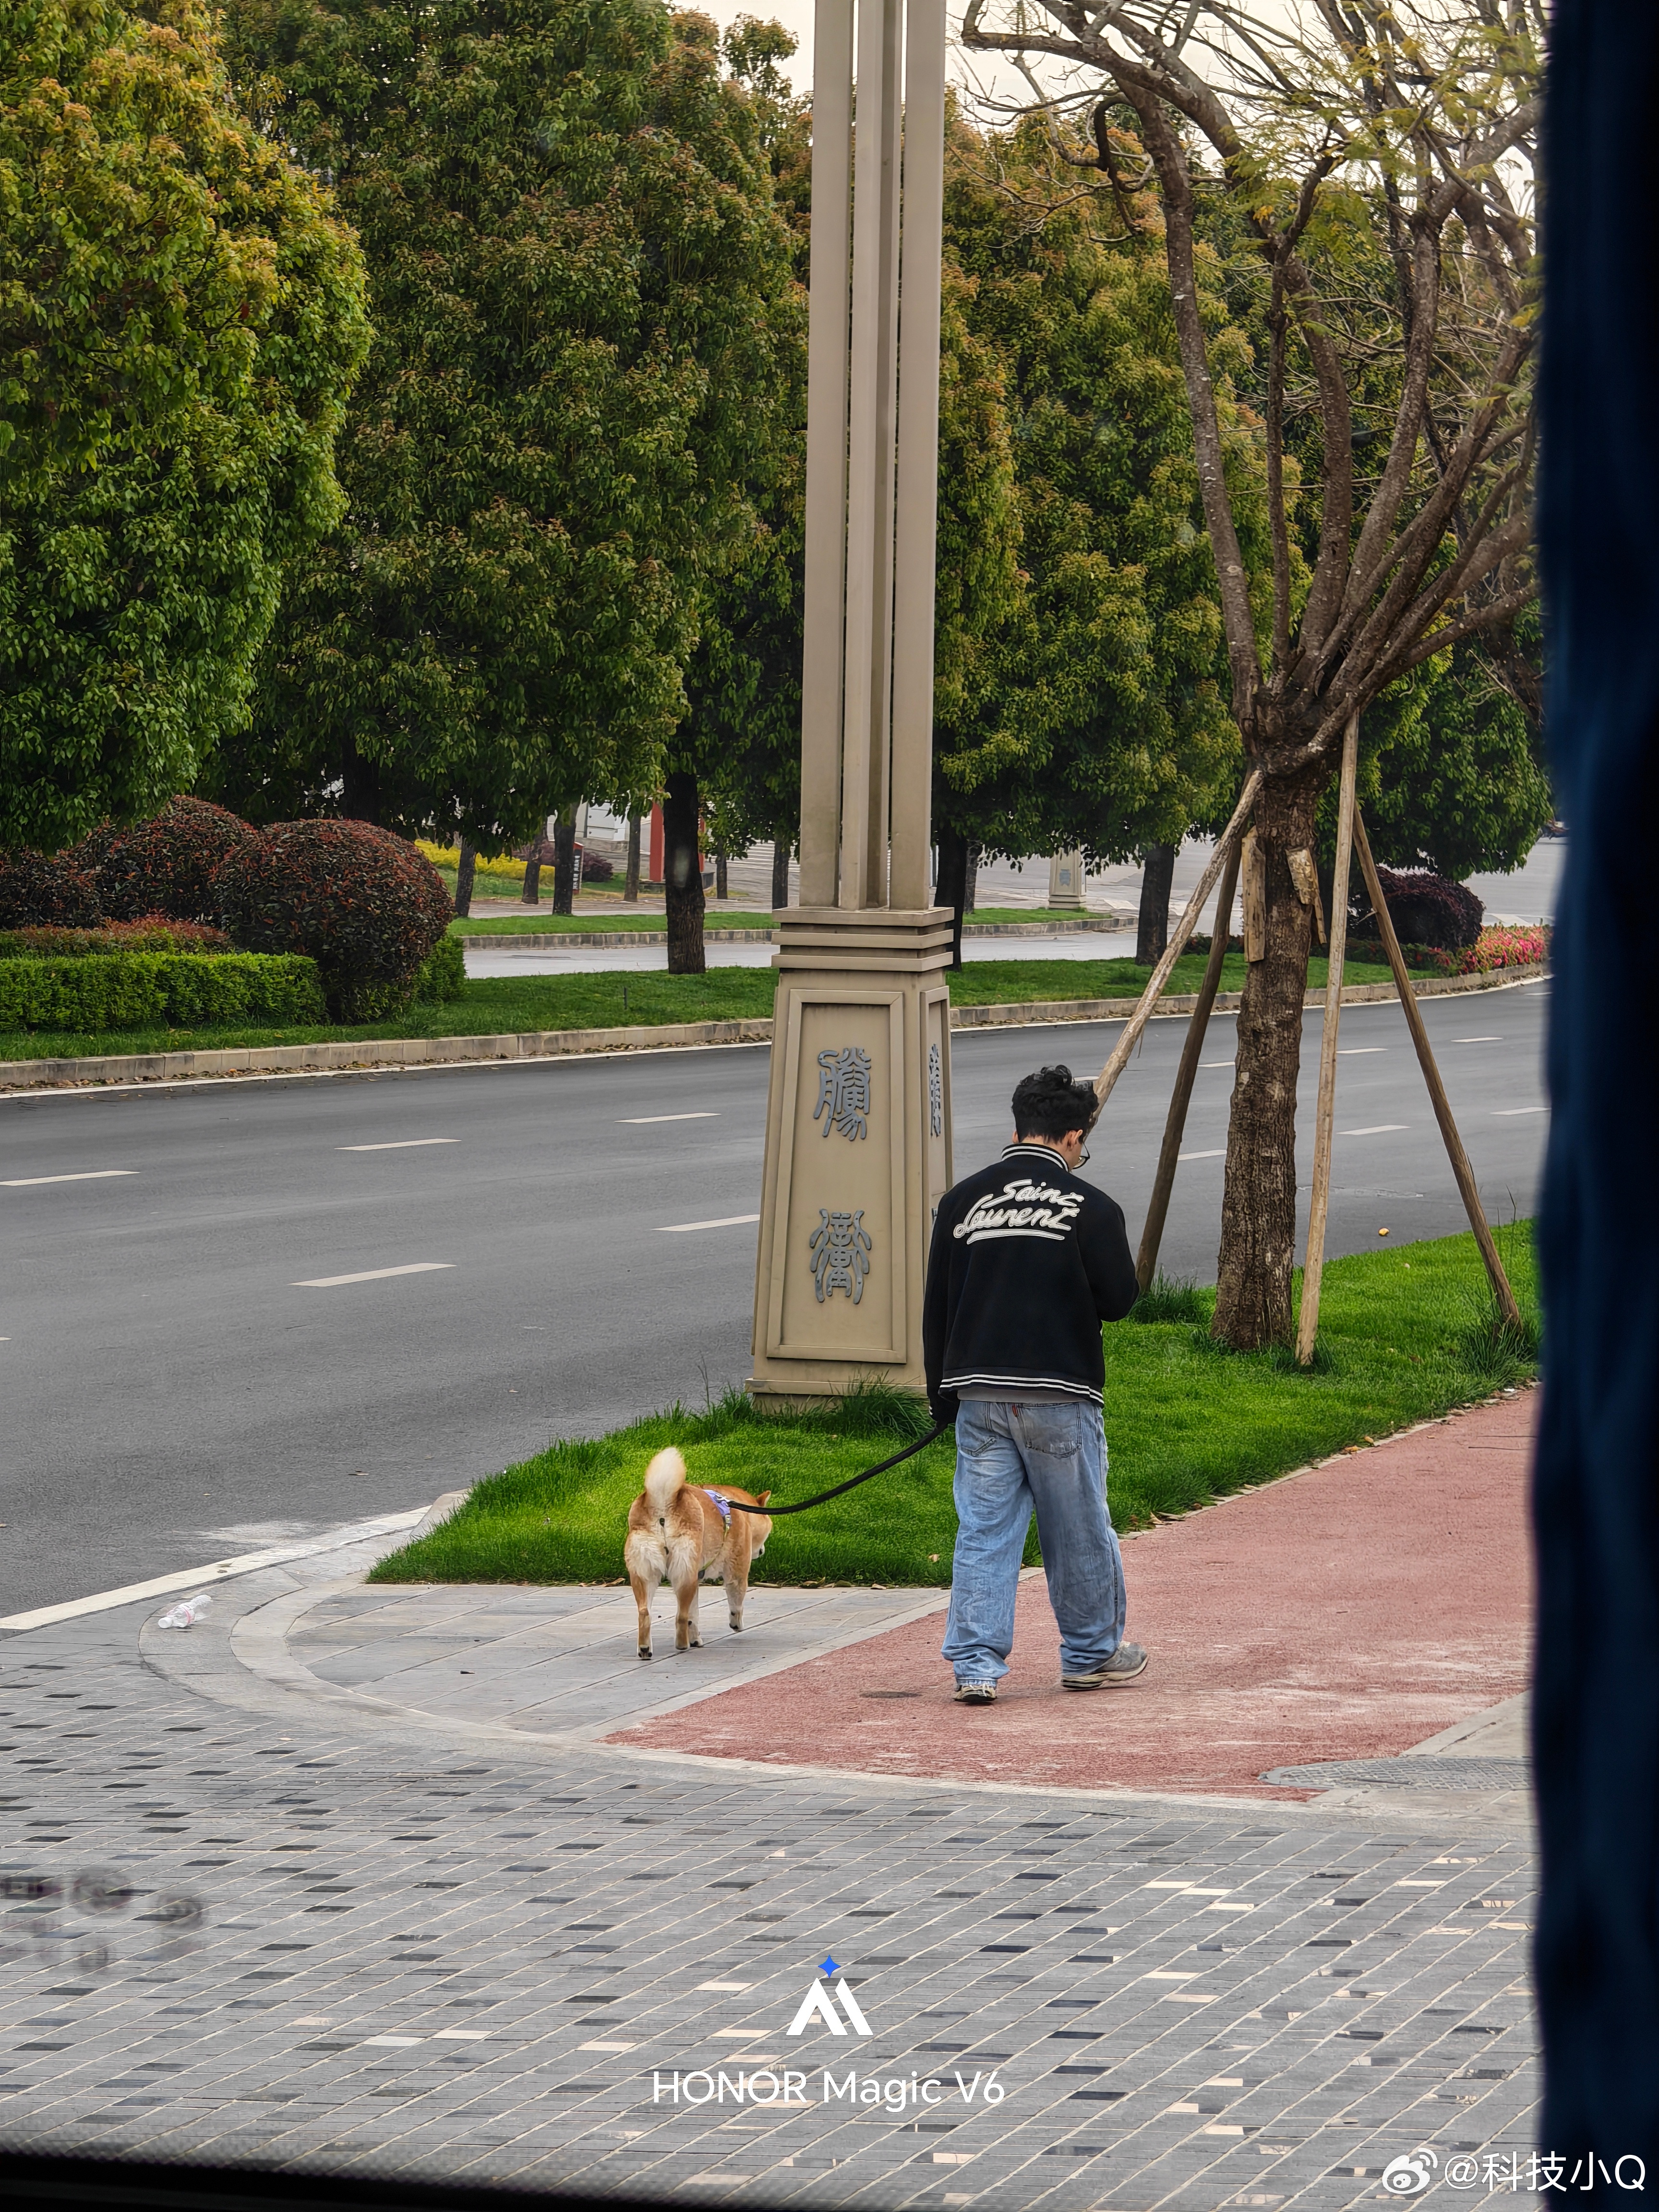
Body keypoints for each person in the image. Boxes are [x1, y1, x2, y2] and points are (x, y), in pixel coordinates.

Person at [922, 1063, 1143, 1706]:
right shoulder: (1093, 1208)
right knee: (1077, 1531)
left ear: (1019, 1127)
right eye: (1083, 1145)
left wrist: (942, 1398)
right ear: (1072, 1138)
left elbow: (937, 1305)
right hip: (1060, 1394)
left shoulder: (960, 1202)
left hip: (979, 1396)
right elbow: (1120, 1300)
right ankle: (1091, 1654)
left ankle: (975, 1665)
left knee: (984, 1532)